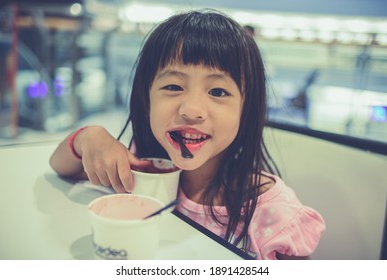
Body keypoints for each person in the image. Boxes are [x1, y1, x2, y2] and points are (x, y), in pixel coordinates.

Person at [49, 9, 325, 260]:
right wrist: (88, 137)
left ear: (247, 108)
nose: (192, 110)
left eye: (218, 91)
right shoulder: (141, 168)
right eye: (173, 86)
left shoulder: (274, 214)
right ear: (147, 99)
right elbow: (61, 167)